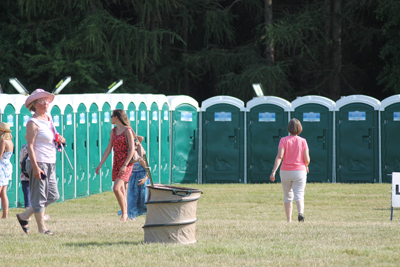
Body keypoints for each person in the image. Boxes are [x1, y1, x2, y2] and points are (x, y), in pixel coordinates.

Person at [16, 89, 65, 235]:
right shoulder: (32, 122)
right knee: (39, 195)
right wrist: (36, 167)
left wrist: (60, 138)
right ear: (34, 104)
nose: (45, 103)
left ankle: (24, 216)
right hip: (39, 162)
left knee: (53, 195)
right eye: (41, 101)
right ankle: (42, 229)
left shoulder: (48, 119)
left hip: (51, 161)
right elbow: (30, 146)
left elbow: (51, 137)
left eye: (46, 100)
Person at [95, 109, 136, 222]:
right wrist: (100, 164)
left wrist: (125, 165)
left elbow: (132, 150)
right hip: (116, 161)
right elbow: (109, 148)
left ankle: (124, 214)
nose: (110, 118)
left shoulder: (128, 130)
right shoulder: (113, 131)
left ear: (117, 117)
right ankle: (127, 214)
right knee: (122, 189)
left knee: (116, 188)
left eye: (111, 116)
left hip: (126, 163)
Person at [270, 118, 310, 222]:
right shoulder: (303, 141)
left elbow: (279, 156)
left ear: (288, 128)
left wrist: (273, 171)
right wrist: (306, 165)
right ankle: (300, 213)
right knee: (299, 194)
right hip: (300, 171)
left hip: (285, 171)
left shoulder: (283, 140)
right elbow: (307, 158)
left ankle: (289, 220)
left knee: (287, 196)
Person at [19, 144, 50, 221]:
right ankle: (41, 216)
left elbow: (21, 161)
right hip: (38, 174)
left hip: (25, 174)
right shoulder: (40, 146)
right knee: (40, 194)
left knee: (27, 195)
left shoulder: (24, 147)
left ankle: (27, 214)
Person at [0, 122, 14, 219]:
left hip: (1, 166)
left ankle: (5, 215)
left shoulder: (3, 141)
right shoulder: (10, 142)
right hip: (7, 167)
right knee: (3, 192)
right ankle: (5, 215)